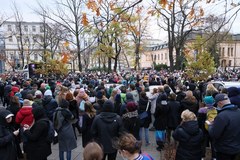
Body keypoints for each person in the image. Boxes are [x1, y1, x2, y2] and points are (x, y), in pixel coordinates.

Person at [208, 93, 240, 160]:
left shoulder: (221, 116)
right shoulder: (238, 111)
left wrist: (211, 125)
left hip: (224, 150)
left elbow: (214, 134)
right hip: (237, 148)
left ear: (219, 103)